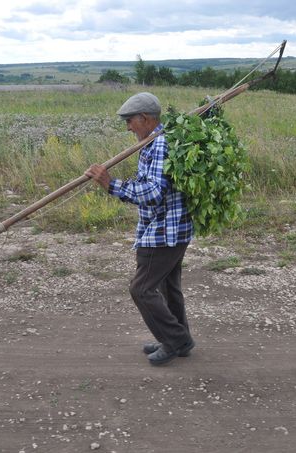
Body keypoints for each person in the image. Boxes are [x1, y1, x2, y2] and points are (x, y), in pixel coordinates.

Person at [84, 92, 195, 366]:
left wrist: (111, 185)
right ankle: (178, 340)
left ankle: (175, 340)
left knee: (141, 289)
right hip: (172, 228)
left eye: (130, 121)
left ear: (145, 118)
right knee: (169, 288)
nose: (128, 127)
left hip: (163, 231)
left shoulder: (159, 144)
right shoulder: (154, 141)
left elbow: (154, 192)